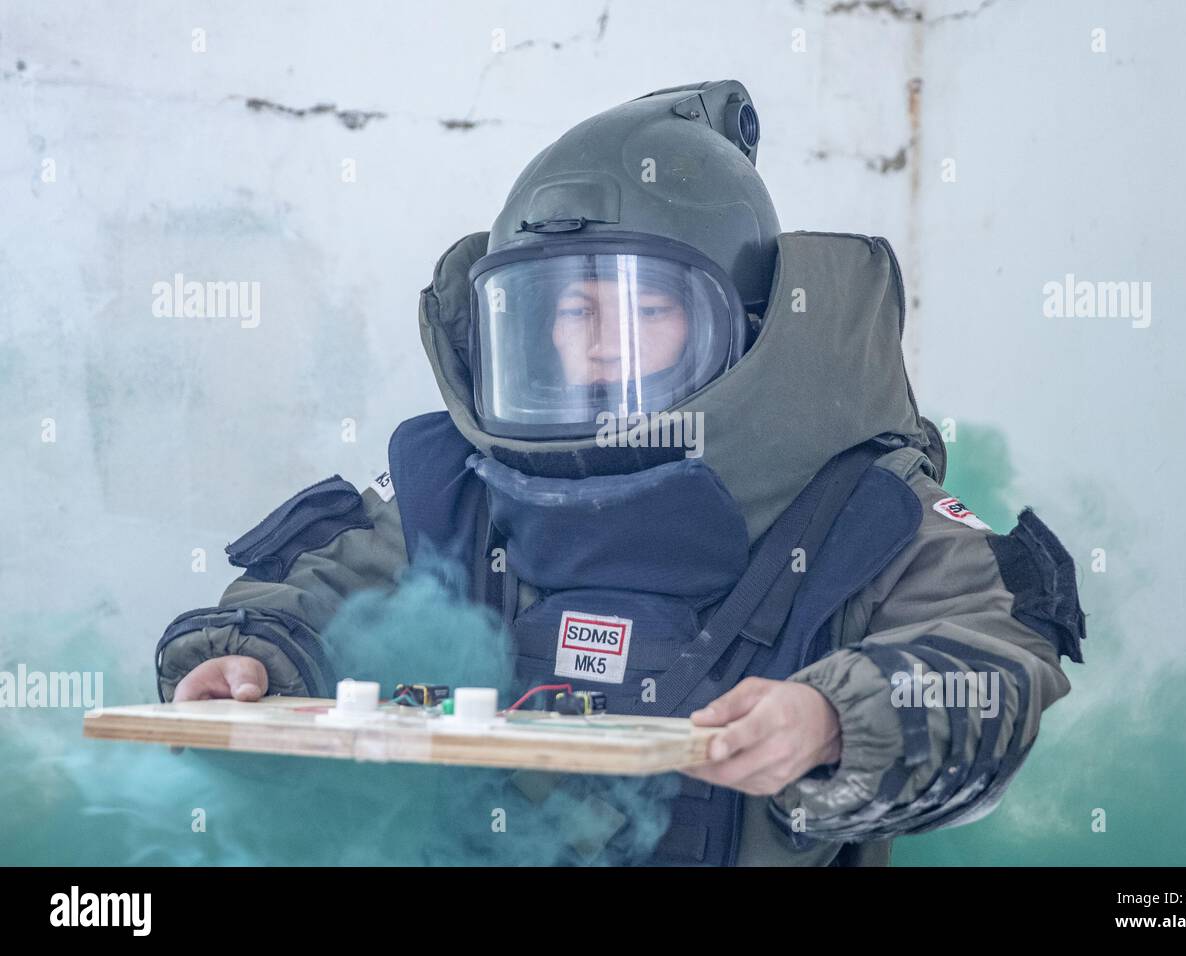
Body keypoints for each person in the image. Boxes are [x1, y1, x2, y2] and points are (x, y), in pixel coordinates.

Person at [156, 80, 1086, 866]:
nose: (591, 346)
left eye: (640, 308)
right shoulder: (455, 481)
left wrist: (836, 716)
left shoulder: (865, 504)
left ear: (745, 325)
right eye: (559, 310)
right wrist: (248, 658)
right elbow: (320, 583)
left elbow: (993, 659)